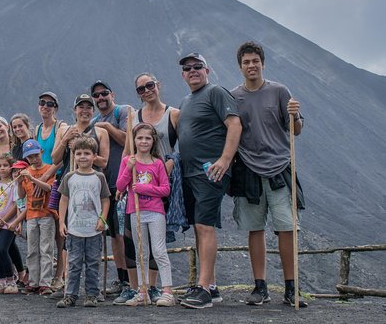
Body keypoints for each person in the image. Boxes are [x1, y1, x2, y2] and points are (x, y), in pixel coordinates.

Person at [230, 41, 307, 307]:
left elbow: (295, 130)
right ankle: (260, 287)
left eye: (255, 61)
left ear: (262, 63)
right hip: (248, 168)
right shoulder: (234, 96)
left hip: (279, 167)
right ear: (240, 66)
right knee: (255, 228)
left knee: (287, 228)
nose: (251, 66)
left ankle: (290, 288)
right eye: (246, 62)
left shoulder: (279, 91)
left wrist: (295, 116)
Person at [176, 52, 242, 309]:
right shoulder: (186, 100)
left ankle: (203, 288)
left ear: (207, 70)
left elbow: (235, 124)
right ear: (183, 74)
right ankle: (210, 286)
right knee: (199, 226)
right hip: (190, 173)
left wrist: (225, 160)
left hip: (210, 171)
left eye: (197, 66)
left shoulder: (216, 92)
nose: (193, 70)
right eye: (187, 68)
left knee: (204, 226)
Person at [51, 94, 109, 294]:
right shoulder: (65, 131)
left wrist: (85, 152)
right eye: (80, 107)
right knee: (69, 238)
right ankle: (69, 285)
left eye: (88, 107)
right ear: (74, 110)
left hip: (92, 186)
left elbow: (104, 162)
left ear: (92, 111)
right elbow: (55, 158)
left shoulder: (100, 131)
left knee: (93, 237)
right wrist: (66, 139)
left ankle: (93, 289)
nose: (85, 110)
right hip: (70, 185)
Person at [116, 123, 174, 307]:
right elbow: (119, 186)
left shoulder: (157, 163)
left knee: (158, 250)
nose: (143, 141)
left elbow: (165, 189)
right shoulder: (128, 161)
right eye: (140, 137)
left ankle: (167, 291)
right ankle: (143, 292)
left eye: (147, 138)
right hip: (135, 211)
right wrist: (129, 168)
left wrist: (144, 188)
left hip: (155, 212)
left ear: (153, 141)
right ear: (134, 140)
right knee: (141, 251)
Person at [56, 136, 110, 308]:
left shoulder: (99, 177)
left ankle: (92, 295)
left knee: (93, 263)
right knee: (73, 264)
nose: (83, 157)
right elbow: (63, 200)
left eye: (87, 153)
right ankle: (70, 295)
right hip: (74, 229)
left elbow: (105, 200)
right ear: (74, 156)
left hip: (94, 229)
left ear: (94, 156)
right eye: (79, 153)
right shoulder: (69, 177)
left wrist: (102, 219)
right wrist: (61, 223)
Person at [89, 80, 131, 295]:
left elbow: (128, 141)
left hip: (125, 182)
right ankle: (122, 278)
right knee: (114, 233)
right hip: (106, 185)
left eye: (104, 93)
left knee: (127, 232)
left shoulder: (123, 112)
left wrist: (107, 127)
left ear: (112, 94)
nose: (100, 98)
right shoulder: (94, 121)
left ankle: (136, 279)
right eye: (96, 95)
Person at [34, 91, 65, 290]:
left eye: (50, 104)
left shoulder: (60, 127)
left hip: (54, 181)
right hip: (38, 183)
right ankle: (43, 275)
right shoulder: (36, 129)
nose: (45, 106)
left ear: (55, 108)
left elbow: (61, 157)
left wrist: (45, 177)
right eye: (42, 102)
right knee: (43, 230)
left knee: (59, 233)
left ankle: (60, 275)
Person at [18, 139, 56, 295]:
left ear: (41, 152)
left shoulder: (49, 169)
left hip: (46, 214)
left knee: (46, 249)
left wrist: (33, 179)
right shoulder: (26, 171)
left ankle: (45, 282)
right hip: (31, 215)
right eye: (29, 157)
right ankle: (33, 281)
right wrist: (19, 182)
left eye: (35, 155)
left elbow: (49, 188)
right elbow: (21, 195)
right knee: (32, 250)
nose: (33, 159)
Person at [0, 154, 22, 294]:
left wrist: (3, 220)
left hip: (8, 225)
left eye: (5, 165)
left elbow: (15, 205)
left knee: (2, 249)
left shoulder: (14, 184)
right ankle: (1, 281)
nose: (2, 168)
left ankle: (11, 280)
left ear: (11, 167)